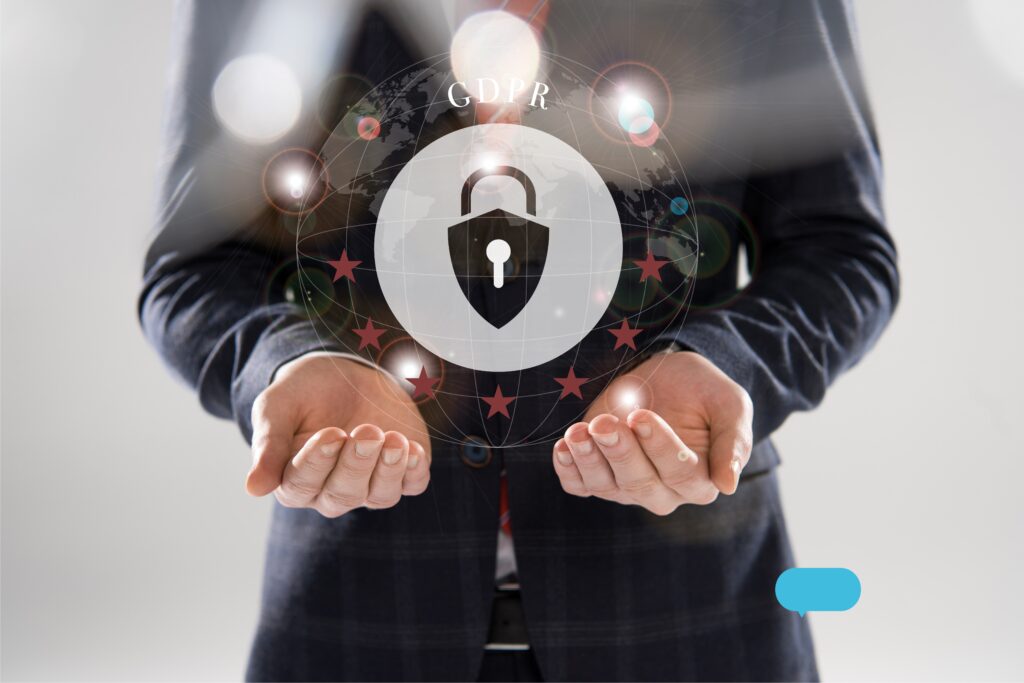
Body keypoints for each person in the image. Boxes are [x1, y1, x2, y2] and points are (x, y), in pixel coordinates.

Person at [139, 0, 898, 680]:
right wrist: (291, 360)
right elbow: (198, 265)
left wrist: (725, 364)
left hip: (689, 623)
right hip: (358, 619)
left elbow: (839, 246)